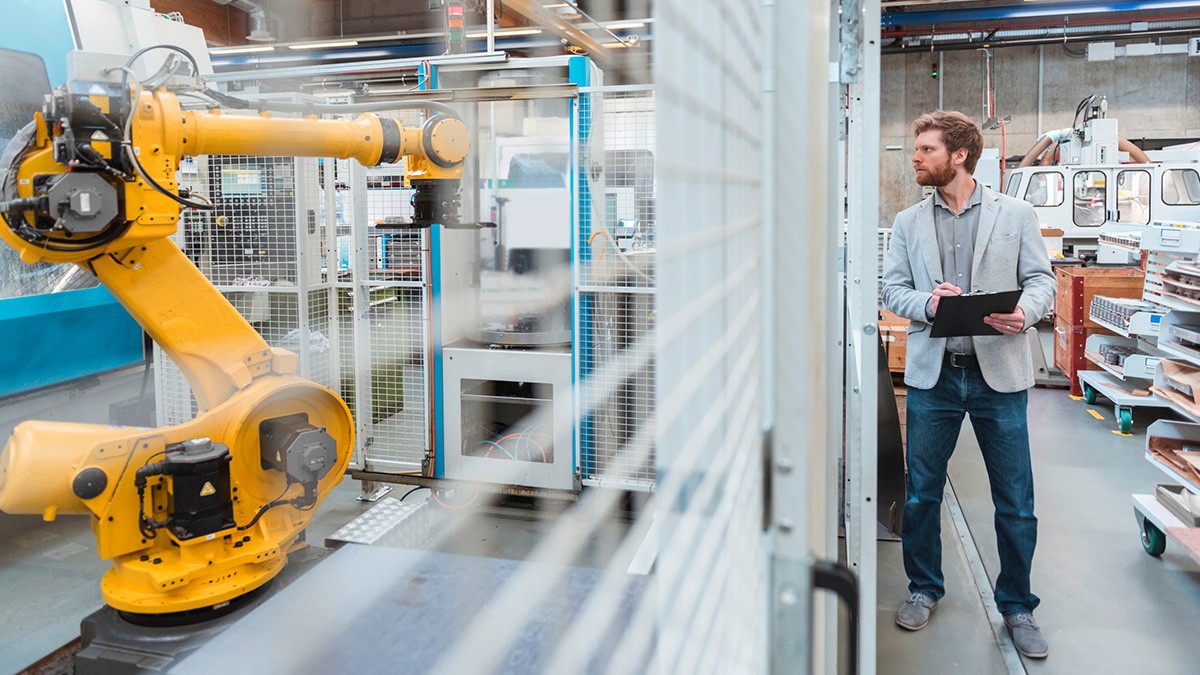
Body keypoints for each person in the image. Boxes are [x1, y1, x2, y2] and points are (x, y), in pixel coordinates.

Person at [881, 111, 1057, 659]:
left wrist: (1024, 315)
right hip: (935, 378)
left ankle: (1017, 605)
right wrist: (930, 303)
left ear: (958, 155)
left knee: (1015, 500)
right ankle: (924, 588)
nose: (915, 157)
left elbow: (1041, 280)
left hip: (997, 377)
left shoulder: (1016, 214)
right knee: (921, 494)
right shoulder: (909, 223)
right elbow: (892, 290)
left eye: (926, 149)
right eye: (917, 148)